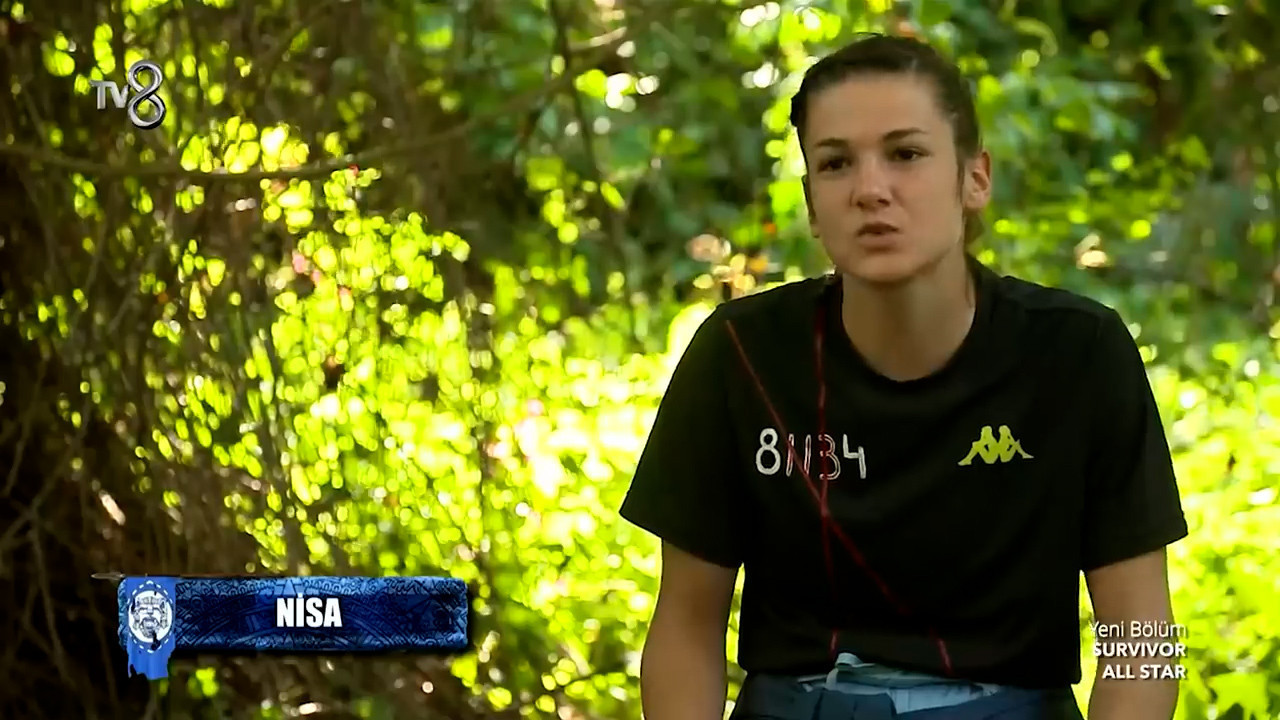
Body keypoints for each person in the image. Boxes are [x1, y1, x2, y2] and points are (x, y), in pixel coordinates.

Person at [619, 33, 1188, 720]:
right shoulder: (741, 355)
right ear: (811, 202)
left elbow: (1142, 635)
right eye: (836, 164)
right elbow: (686, 624)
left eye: (906, 154)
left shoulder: (1078, 353)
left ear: (975, 178)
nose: (870, 190)